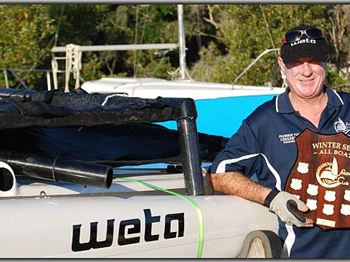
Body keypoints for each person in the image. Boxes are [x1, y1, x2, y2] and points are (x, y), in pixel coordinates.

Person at [209, 24, 350, 258]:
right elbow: (220, 175)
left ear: (325, 61)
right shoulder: (263, 121)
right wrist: (273, 198)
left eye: (313, 60)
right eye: (296, 62)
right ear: (282, 65)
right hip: (302, 253)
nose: (306, 71)